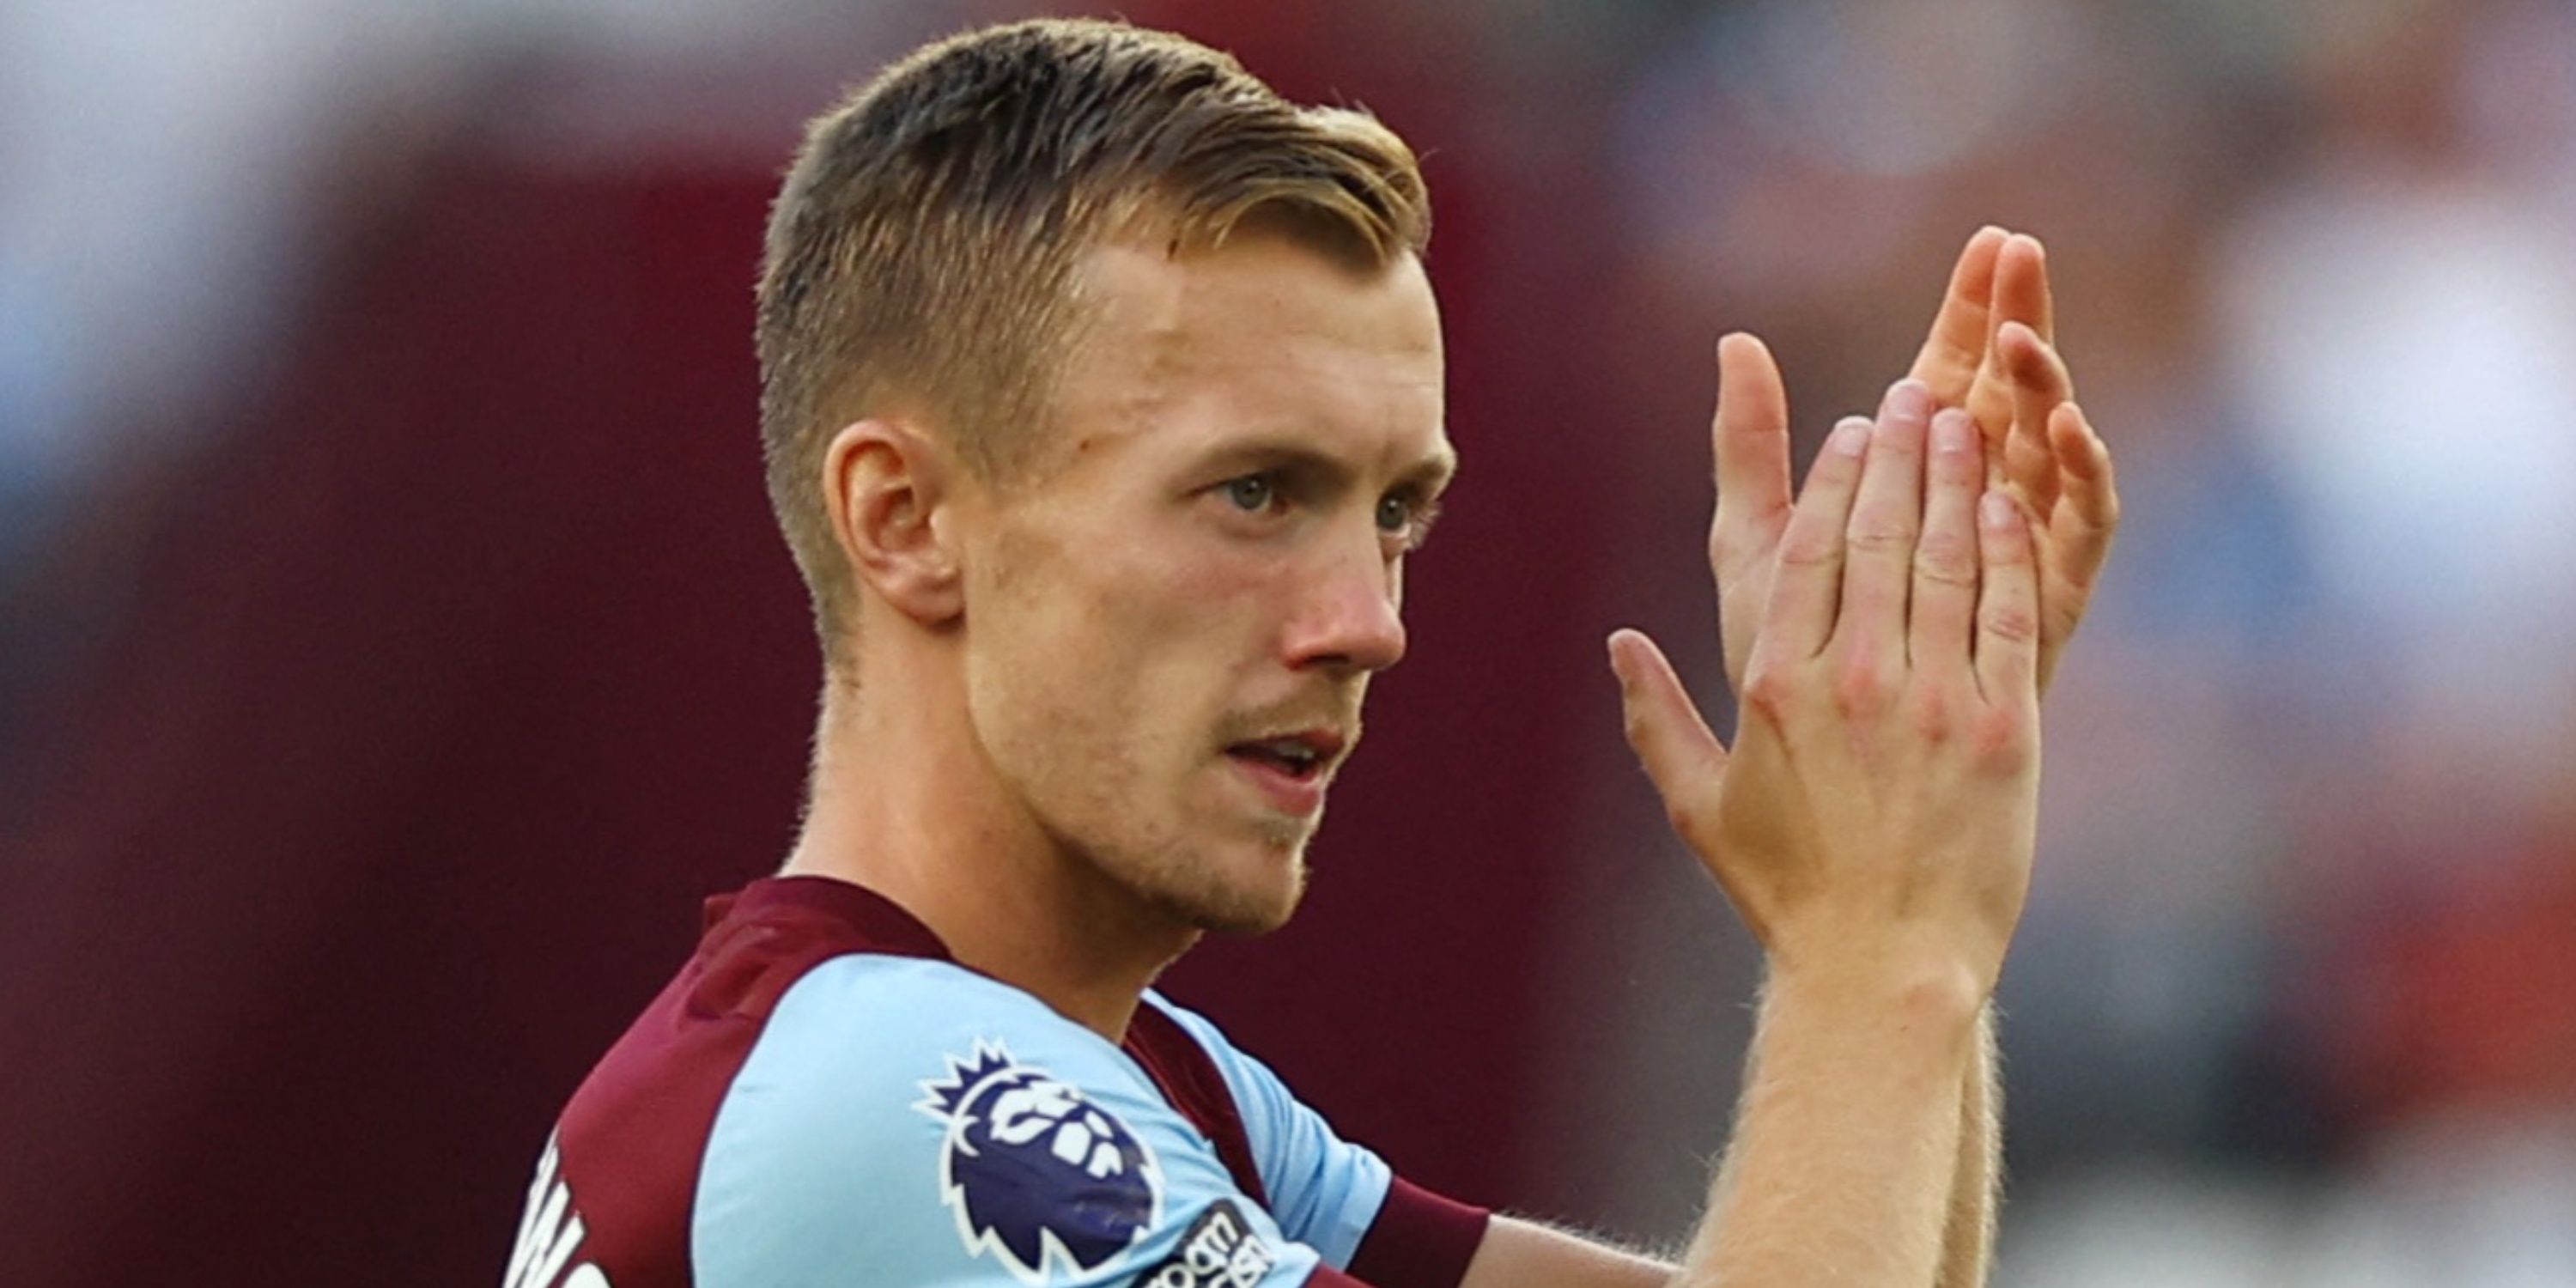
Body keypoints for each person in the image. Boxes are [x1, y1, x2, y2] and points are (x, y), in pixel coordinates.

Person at [500, 17, 2117, 1288]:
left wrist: (1915, 835)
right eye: (1254, 493)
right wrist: (1874, 938)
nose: (1369, 620)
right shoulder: (892, 1109)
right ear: (909, 519)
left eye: (1397, 512)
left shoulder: (1132, 1076)